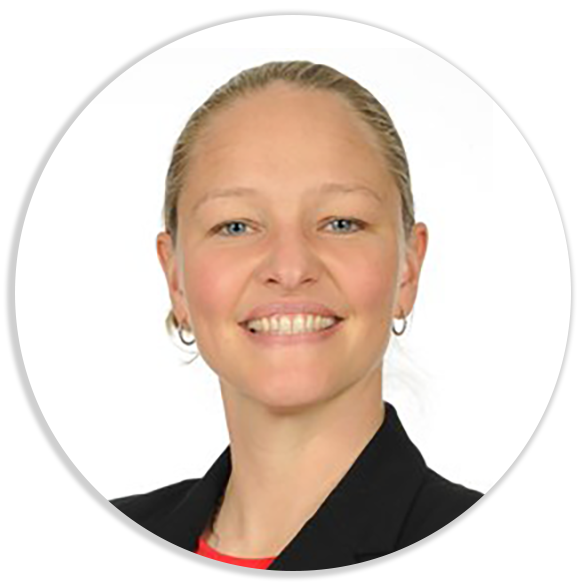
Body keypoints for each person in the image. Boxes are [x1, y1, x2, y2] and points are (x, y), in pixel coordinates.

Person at [93, 60, 492, 572]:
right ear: (176, 279)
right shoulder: (85, 551)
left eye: (341, 222)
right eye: (236, 226)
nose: (290, 267)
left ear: (408, 270)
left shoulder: (500, 556)